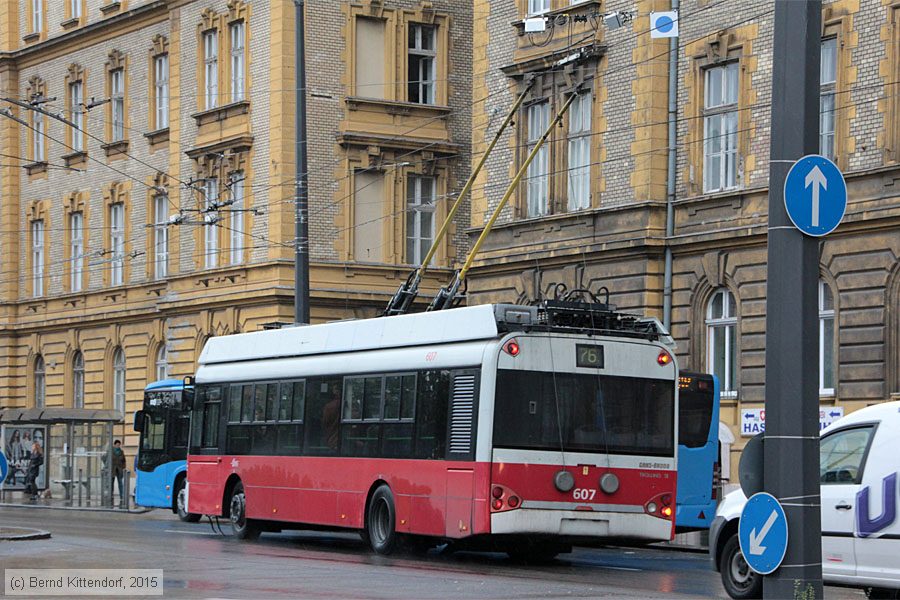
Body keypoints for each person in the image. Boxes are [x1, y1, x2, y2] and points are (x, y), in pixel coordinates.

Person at [112, 440, 126, 506]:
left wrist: (123, 467)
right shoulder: (111, 451)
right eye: (117, 445)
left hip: (119, 470)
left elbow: (124, 461)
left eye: (119, 445)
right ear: (114, 445)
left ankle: (121, 496)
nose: (118, 446)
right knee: (111, 483)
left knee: (120, 483)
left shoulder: (121, 452)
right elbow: (105, 458)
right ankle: (111, 495)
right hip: (112, 469)